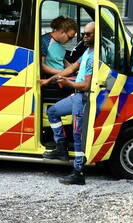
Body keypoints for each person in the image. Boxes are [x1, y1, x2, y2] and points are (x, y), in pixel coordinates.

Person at [44, 22, 94, 186]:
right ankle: (61, 148)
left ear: (96, 35)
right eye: (84, 34)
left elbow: (86, 85)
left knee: (78, 136)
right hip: (76, 95)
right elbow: (72, 67)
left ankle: (78, 173)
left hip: (82, 97)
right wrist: (49, 80)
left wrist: (69, 84)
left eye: (88, 34)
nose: (84, 37)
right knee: (53, 112)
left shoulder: (94, 56)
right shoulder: (87, 51)